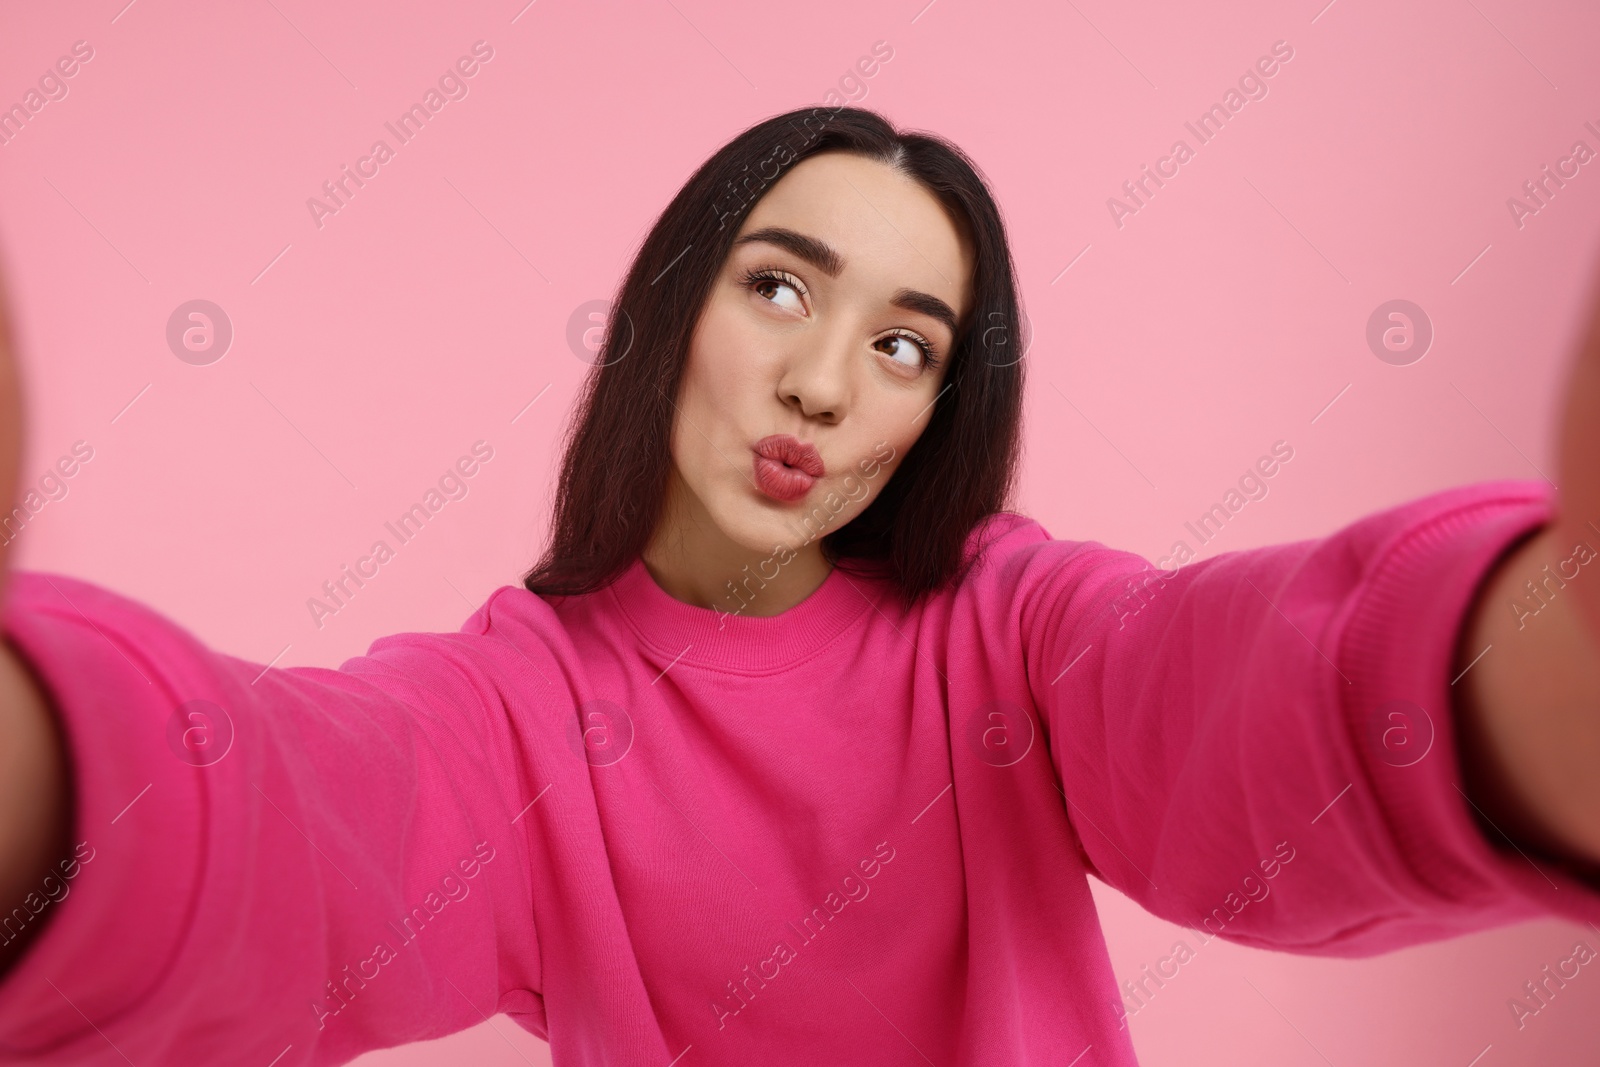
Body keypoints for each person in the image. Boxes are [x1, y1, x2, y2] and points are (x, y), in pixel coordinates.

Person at [0, 105, 1596, 1066]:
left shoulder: (1010, 633)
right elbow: (303, 823)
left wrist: (1552, 638)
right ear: (671, 306)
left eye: (903, 345)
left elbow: (1237, 704)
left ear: (937, 411)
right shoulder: (518, 709)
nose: (827, 386)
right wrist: (38, 765)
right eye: (781, 286)